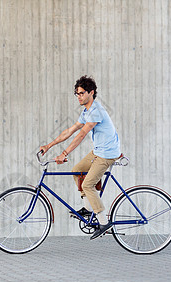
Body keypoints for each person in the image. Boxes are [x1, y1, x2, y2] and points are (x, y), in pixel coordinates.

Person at [39, 75, 121, 240]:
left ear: (91, 93)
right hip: (99, 151)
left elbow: (82, 134)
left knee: (89, 185)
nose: (79, 96)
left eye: (82, 93)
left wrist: (64, 153)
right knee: (77, 170)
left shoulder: (96, 111)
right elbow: (70, 131)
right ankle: (88, 208)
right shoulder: (87, 112)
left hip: (107, 154)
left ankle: (104, 222)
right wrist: (49, 145)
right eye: (77, 93)